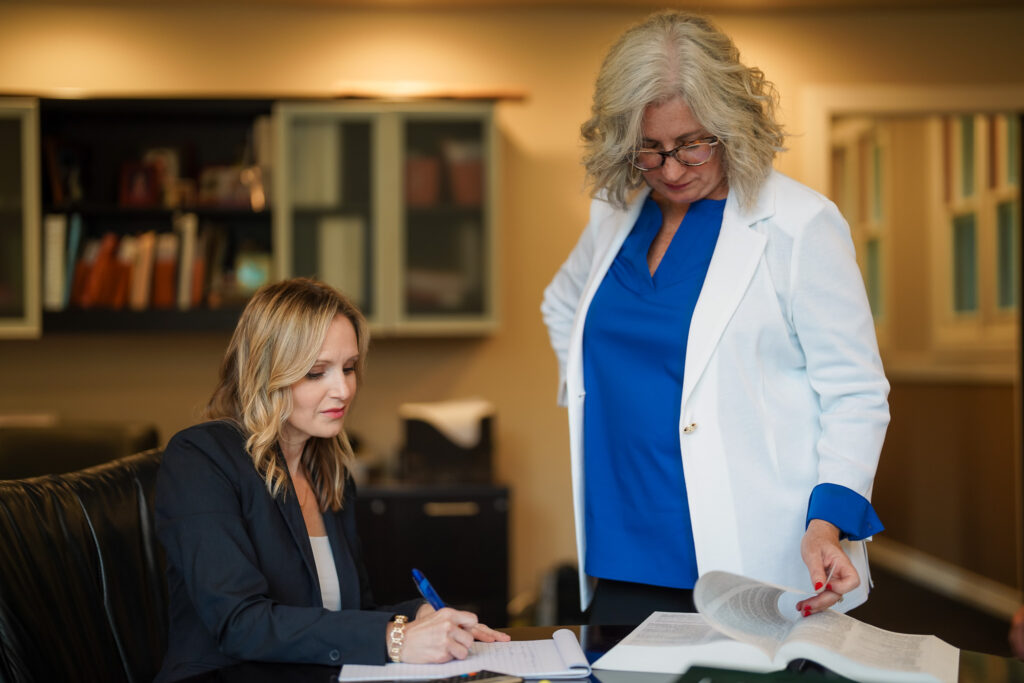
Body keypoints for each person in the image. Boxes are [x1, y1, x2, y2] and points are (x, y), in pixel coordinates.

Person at [541, 10, 890, 625]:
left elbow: (855, 391)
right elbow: (562, 304)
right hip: (620, 547)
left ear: (732, 126)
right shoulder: (616, 213)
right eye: (649, 149)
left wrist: (826, 522)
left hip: (751, 556)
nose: (671, 170)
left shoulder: (799, 224)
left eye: (692, 145)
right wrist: (597, 398)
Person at [155, 277, 508, 682]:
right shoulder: (200, 459)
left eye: (349, 368)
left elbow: (342, 618)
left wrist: (417, 617)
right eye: (316, 372)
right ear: (265, 372)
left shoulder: (328, 473)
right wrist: (396, 639)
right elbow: (240, 623)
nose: (342, 389)